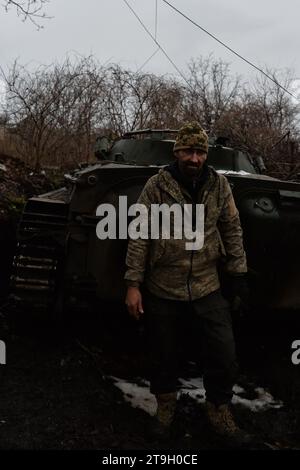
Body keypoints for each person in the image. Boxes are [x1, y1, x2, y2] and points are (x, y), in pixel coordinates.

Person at [124, 122, 250, 444]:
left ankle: (218, 410)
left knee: (224, 354)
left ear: (205, 154)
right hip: (163, 285)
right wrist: (133, 284)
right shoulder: (157, 186)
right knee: (163, 354)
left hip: (207, 284)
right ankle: (166, 407)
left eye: (200, 152)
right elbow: (139, 236)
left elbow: (232, 229)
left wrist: (238, 275)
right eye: (188, 151)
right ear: (177, 152)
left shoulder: (219, 186)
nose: (194, 158)